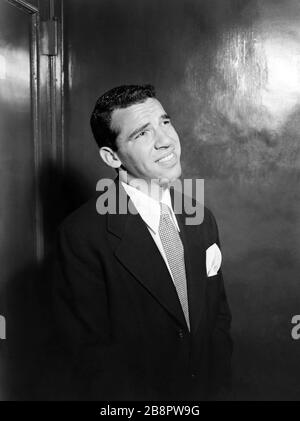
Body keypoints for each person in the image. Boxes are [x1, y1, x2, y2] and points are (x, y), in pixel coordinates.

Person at [52, 84, 232, 400]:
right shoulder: (80, 236)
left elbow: (217, 320)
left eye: (165, 122)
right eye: (141, 134)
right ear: (111, 157)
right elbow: (91, 358)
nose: (166, 141)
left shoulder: (201, 218)